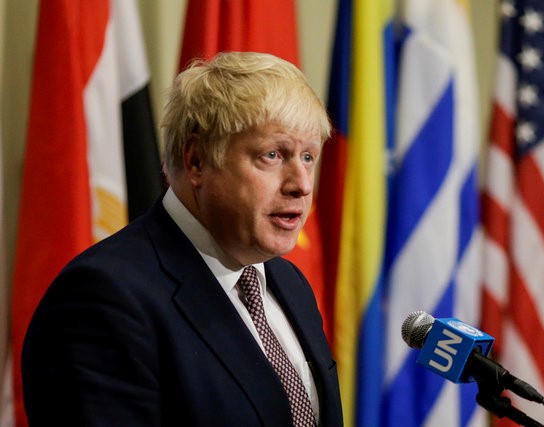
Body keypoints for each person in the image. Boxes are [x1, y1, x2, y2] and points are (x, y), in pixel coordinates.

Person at [22, 51, 343, 426]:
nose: (302, 185)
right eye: (272, 155)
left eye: (308, 157)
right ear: (197, 161)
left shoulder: (288, 284)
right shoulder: (104, 298)